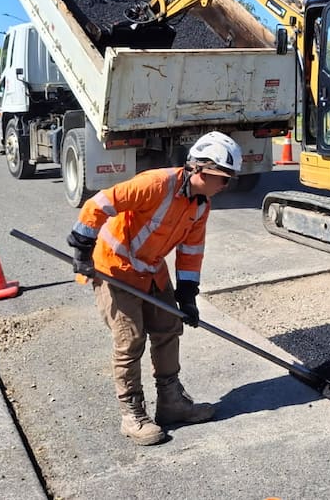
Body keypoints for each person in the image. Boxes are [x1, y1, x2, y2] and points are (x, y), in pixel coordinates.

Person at [66, 131, 241, 445]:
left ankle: (171, 402)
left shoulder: (201, 205)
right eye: (223, 178)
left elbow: (191, 250)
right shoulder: (155, 184)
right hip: (114, 268)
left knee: (168, 327)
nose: (226, 186)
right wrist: (81, 246)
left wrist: (187, 295)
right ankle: (131, 413)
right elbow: (100, 203)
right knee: (130, 339)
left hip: (151, 269)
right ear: (200, 170)